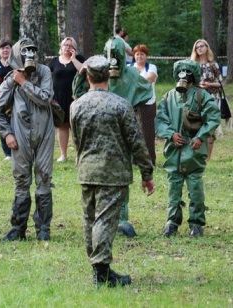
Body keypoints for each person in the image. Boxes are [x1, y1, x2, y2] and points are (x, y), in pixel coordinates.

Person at [70, 55, 155, 287]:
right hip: (113, 172)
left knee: (90, 219)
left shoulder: (76, 105)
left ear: (88, 77)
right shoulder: (120, 105)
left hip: (87, 170)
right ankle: (102, 273)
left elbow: (76, 140)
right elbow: (136, 142)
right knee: (104, 221)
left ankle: (98, 268)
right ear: (108, 75)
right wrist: (147, 174)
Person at [73, 36, 153, 237]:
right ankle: (102, 227)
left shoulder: (132, 76)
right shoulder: (99, 75)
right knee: (100, 186)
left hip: (120, 128)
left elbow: (145, 93)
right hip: (97, 131)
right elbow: (78, 94)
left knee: (119, 178)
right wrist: (82, 74)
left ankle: (120, 219)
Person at [0, 38, 55, 241]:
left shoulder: (43, 72)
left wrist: (24, 83)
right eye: (25, 52)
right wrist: (7, 133)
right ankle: (18, 228)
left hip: (44, 132)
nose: (29, 56)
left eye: (32, 52)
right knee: (21, 179)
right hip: (20, 134)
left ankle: (43, 229)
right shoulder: (11, 78)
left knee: (44, 177)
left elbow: (45, 97)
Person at [155, 59, 220, 237]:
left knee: (195, 187)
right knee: (173, 187)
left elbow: (213, 118)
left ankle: (197, 224)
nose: (183, 75)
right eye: (181, 72)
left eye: (187, 72)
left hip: (194, 150)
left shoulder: (201, 96)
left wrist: (200, 136)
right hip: (174, 152)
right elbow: (161, 119)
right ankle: (171, 222)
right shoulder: (169, 96)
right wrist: (170, 134)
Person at [48, 37, 85, 162]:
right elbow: (47, 77)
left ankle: (79, 154)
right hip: (58, 98)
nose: (67, 47)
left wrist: (73, 59)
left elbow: (83, 70)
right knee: (62, 126)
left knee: (76, 126)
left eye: (70, 45)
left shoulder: (79, 59)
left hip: (75, 97)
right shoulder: (54, 61)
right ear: (61, 47)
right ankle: (63, 154)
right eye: (65, 45)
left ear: (74, 48)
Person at [190, 39, 224, 161]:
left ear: (206, 48)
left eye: (202, 46)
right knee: (195, 125)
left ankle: (208, 157)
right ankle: (196, 155)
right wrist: (198, 84)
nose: (199, 48)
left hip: (211, 99)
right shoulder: (192, 64)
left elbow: (220, 83)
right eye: (197, 47)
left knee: (209, 127)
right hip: (195, 98)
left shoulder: (213, 64)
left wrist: (208, 85)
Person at [130, 44, 158, 165]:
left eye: (142, 54)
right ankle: (133, 160)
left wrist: (136, 76)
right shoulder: (128, 67)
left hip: (148, 103)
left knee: (148, 134)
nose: (139, 56)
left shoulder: (151, 67)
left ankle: (150, 160)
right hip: (132, 103)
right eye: (137, 54)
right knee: (132, 132)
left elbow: (149, 79)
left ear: (146, 56)